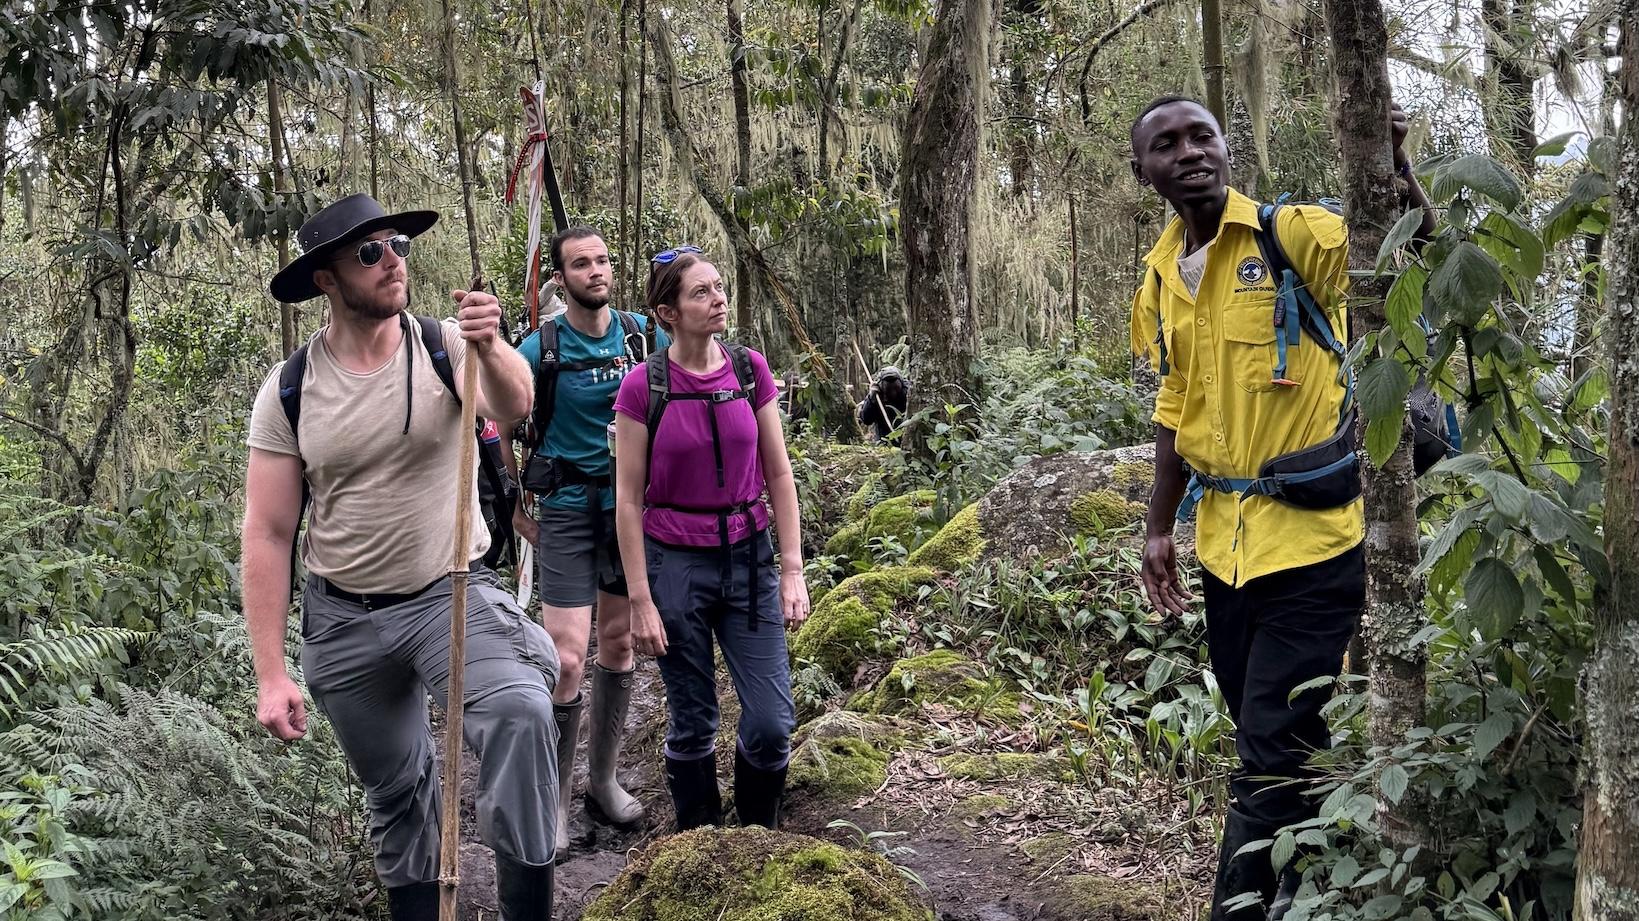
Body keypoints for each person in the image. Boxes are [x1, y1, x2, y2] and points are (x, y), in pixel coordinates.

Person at [1127, 97, 1432, 921]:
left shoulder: (1285, 232)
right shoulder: (1162, 273)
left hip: (1313, 545)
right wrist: (1158, 526)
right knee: (1275, 740)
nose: (1190, 152)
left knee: (1265, 750)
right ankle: (1310, 876)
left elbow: (1405, 251)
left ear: (1226, 148)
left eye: (1203, 136)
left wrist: (1391, 166)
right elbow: (1174, 398)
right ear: (1142, 170)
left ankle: (1240, 909)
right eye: (1168, 144)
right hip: (1221, 548)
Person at [242, 193, 557, 920]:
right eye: (370, 252)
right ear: (326, 278)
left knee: (519, 711)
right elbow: (265, 530)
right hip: (343, 617)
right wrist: (270, 672)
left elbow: (513, 404)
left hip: (448, 590)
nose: (392, 262)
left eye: (397, 247)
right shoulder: (290, 390)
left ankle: (529, 901)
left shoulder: (441, 343)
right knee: (397, 795)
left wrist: (489, 344)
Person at [611, 246, 809, 831]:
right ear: (667, 312)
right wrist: (641, 601)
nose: (718, 298)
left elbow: (779, 474)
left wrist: (792, 569)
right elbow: (627, 499)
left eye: (719, 287)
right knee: (693, 717)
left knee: (772, 723)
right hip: (675, 566)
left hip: (750, 560)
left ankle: (757, 838)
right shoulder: (644, 387)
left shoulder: (749, 370)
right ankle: (699, 843)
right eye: (701, 292)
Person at [505, 225, 666, 858]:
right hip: (567, 510)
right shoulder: (539, 345)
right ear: (561, 278)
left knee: (620, 640)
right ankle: (555, 797)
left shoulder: (640, 336)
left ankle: (602, 780)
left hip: (629, 510)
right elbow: (494, 425)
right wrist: (512, 506)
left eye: (602, 261)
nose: (595, 271)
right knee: (567, 657)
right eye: (581, 264)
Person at [857, 366, 909, 440]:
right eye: (888, 389)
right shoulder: (876, 395)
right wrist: (871, 399)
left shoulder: (908, 392)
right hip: (884, 440)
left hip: (905, 438)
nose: (893, 392)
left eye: (895, 388)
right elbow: (866, 419)